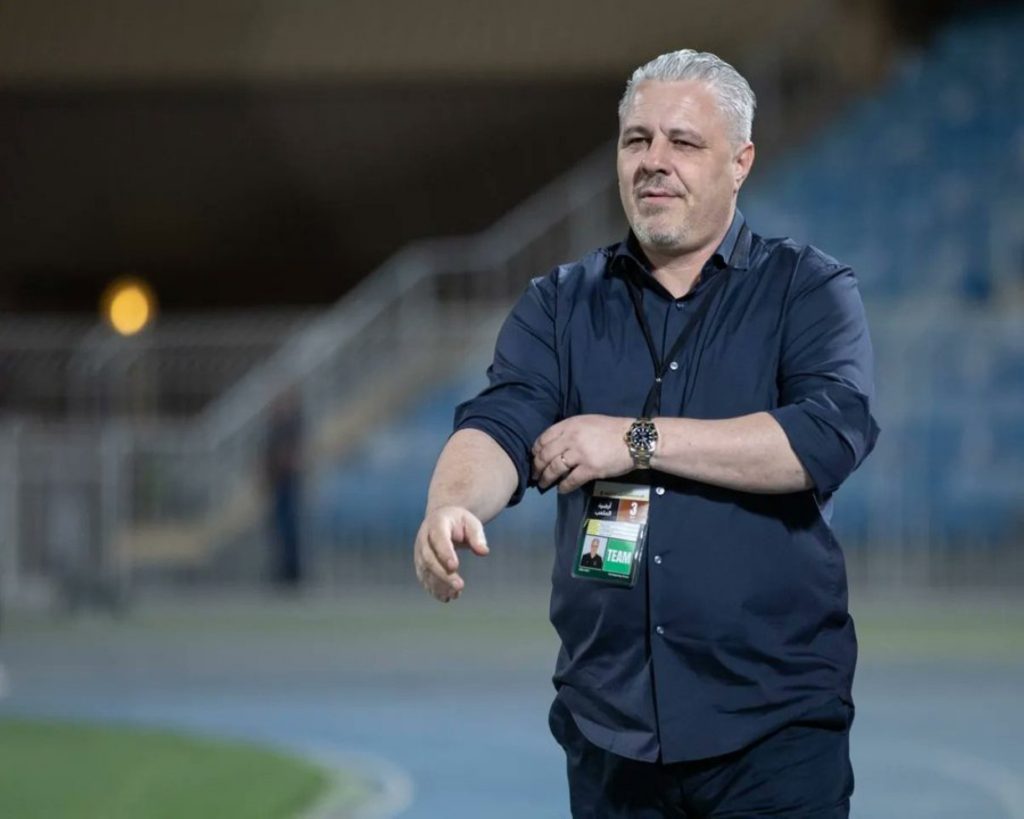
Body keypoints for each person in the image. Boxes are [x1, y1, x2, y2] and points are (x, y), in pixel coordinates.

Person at [413, 48, 878, 818]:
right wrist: (449, 504)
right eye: (637, 139)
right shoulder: (559, 303)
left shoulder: (807, 289)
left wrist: (635, 440)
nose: (654, 160)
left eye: (683, 142)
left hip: (773, 730)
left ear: (740, 163)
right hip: (611, 733)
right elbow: (500, 423)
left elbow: (824, 437)